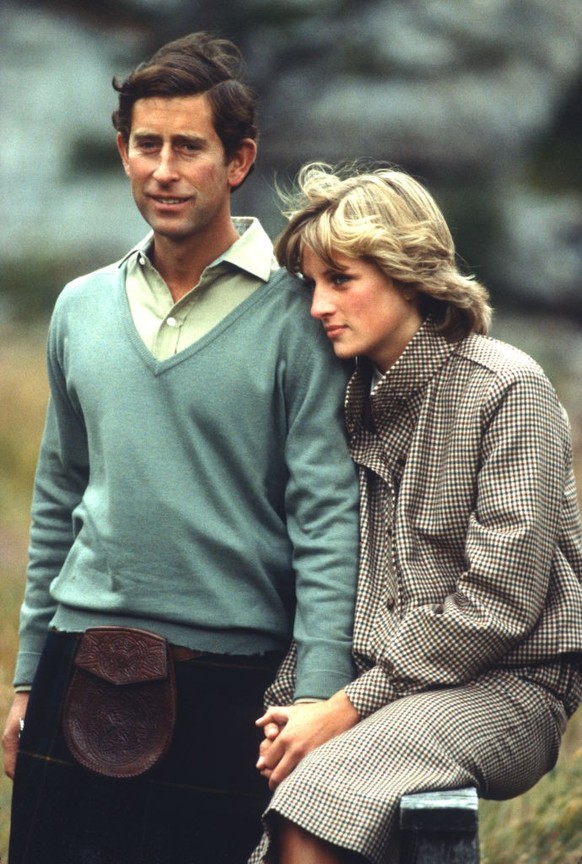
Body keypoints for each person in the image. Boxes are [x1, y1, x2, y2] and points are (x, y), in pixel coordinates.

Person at [1, 39, 360, 864]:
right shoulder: (77, 308)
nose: (163, 169)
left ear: (238, 161)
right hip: (75, 663)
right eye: (146, 144)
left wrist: (315, 695)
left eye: (188, 147)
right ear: (124, 150)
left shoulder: (299, 317)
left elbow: (327, 516)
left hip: (234, 679)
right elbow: (58, 496)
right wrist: (26, 680)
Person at [250, 162, 582, 864]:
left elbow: (499, 603)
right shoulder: (347, 399)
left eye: (341, 281)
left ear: (409, 274)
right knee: (235, 771)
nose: (317, 307)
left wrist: (343, 709)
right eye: (312, 285)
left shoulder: (507, 388)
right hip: (381, 680)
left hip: (510, 685)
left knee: (315, 795)